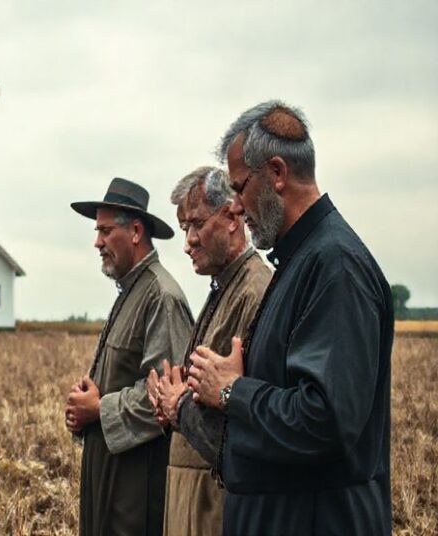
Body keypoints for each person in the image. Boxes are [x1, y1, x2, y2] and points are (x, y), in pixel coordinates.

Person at [187, 101, 393, 535]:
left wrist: (232, 392)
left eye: (240, 188)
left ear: (277, 174)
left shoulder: (335, 267)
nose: (238, 208)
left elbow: (326, 421)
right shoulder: (301, 261)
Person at [146, 166, 271, 536]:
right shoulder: (224, 285)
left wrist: (179, 402)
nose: (188, 241)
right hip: (193, 493)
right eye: (184, 227)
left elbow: (245, 418)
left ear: (233, 215)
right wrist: (169, 400)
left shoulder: (254, 290)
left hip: (216, 503)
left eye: (196, 224)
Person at [66, 177, 193, 536]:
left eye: (105, 231)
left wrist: (98, 409)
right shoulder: (131, 289)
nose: (97, 242)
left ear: (135, 231)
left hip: (137, 495)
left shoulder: (161, 296)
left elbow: (165, 397)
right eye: (97, 231)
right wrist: (84, 408)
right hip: (112, 485)